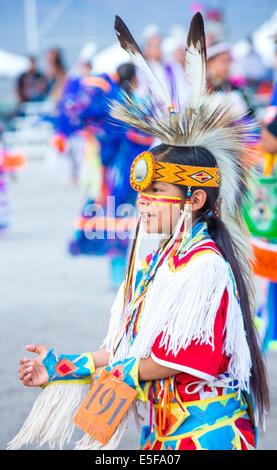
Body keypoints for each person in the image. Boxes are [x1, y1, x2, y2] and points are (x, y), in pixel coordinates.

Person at [9, 13, 269, 451]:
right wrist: (65, 366)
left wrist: (112, 372)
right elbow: (133, 348)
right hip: (165, 432)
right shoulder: (162, 261)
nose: (144, 201)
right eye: (142, 191)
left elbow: (188, 359)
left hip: (209, 434)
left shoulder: (204, 266)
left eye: (158, 191)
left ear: (195, 200)